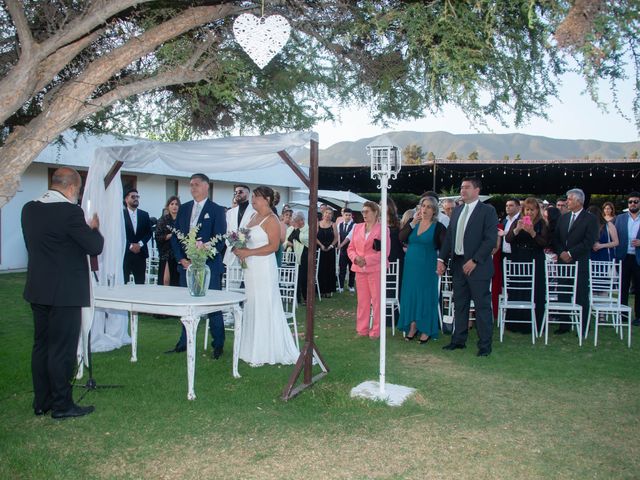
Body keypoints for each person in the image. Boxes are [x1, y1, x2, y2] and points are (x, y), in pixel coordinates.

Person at [21, 167, 104, 419]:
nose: (76, 196)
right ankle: (61, 404)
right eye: (77, 191)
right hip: (65, 292)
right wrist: (94, 228)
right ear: (70, 188)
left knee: (41, 346)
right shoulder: (70, 212)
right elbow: (94, 247)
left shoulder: (29, 209)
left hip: (38, 288)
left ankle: (41, 401)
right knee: (62, 350)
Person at [232, 186, 299, 366]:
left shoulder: (272, 219)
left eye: (257, 197)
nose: (253, 200)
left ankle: (267, 349)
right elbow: (244, 238)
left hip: (263, 267)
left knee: (264, 304)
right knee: (252, 304)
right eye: (253, 196)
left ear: (267, 199)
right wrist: (239, 248)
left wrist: (248, 252)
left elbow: (273, 246)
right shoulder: (253, 217)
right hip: (250, 268)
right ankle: (250, 347)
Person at [437, 177, 498, 357]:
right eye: (462, 187)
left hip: (478, 267)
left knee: (482, 306)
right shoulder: (457, 211)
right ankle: (458, 340)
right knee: (460, 305)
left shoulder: (488, 211)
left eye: (467, 187)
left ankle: (485, 345)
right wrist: (441, 260)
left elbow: (490, 240)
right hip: (457, 265)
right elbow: (449, 238)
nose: (463, 191)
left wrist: (475, 260)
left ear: (477, 190)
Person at [168, 174, 227, 357]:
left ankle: (218, 344)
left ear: (206, 186)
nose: (192, 188)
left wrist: (200, 260)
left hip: (209, 268)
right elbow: (177, 238)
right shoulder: (184, 209)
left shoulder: (216, 210)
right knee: (187, 307)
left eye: (196, 185)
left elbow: (219, 239)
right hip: (186, 268)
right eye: (191, 185)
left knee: (214, 308)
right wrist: (181, 259)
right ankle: (183, 343)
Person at [397, 196, 446, 343]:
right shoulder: (413, 223)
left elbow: (445, 246)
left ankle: (426, 329)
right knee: (410, 295)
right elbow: (401, 237)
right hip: (411, 267)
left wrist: (441, 261)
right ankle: (412, 327)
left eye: (429, 207)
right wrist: (412, 223)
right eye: (423, 206)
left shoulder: (438, 227)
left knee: (425, 296)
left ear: (434, 211)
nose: (425, 209)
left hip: (427, 267)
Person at [552, 188, 599, 335]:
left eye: (569, 199)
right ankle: (564, 324)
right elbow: (556, 238)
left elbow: (589, 241)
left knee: (581, 294)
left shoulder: (590, 219)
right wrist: (561, 253)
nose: (567, 202)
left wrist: (571, 253)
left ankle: (583, 325)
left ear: (579, 201)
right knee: (563, 292)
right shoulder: (564, 217)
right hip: (563, 262)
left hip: (580, 262)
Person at [505, 197, 551, 332]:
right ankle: (515, 323)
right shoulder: (517, 221)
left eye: (532, 210)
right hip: (518, 259)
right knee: (518, 289)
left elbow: (544, 243)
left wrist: (532, 232)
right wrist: (517, 230)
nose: (529, 213)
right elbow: (508, 239)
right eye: (527, 210)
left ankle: (533, 324)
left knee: (534, 290)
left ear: (537, 210)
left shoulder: (542, 223)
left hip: (535, 260)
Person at [347, 201, 390, 339]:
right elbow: (350, 248)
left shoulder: (383, 229)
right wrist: (355, 258)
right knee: (363, 301)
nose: (364, 214)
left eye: (367, 211)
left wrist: (366, 260)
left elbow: (385, 252)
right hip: (359, 269)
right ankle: (362, 329)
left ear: (375, 212)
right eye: (362, 211)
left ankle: (376, 330)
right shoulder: (357, 228)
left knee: (377, 301)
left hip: (375, 269)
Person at [614, 192, 640, 326]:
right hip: (623, 257)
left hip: (638, 257)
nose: (633, 204)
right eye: (630, 202)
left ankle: (639, 317)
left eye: (636, 201)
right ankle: (622, 315)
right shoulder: (620, 218)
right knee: (622, 287)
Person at [122, 188, 152, 284]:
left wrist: (140, 244)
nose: (136, 199)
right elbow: (120, 234)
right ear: (126, 199)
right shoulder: (121, 215)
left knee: (140, 283)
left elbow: (149, 232)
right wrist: (130, 246)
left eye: (137, 197)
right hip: (125, 253)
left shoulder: (144, 214)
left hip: (140, 253)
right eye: (133, 196)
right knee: (124, 281)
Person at [223, 184, 255, 269]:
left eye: (240, 192)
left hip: (249, 254)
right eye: (235, 192)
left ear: (248, 194)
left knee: (249, 281)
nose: (237, 194)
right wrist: (234, 248)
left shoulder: (255, 212)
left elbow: (254, 232)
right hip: (232, 255)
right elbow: (226, 233)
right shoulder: (230, 213)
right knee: (231, 282)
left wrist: (243, 247)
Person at [155, 196, 181, 287]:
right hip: (166, 254)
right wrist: (170, 235)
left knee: (177, 282)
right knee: (165, 281)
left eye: (177, 204)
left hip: (179, 255)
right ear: (168, 206)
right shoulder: (163, 220)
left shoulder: (182, 220)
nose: (174, 206)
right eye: (172, 204)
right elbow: (158, 237)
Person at [286, 211, 310, 304]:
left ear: (302, 220)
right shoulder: (292, 228)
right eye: (294, 220)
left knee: (303, 278)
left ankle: (305, 298)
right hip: (292, 254)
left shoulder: (308, 228)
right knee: (293, 277)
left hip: (305, 255)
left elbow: (304, 239)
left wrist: (297, 231)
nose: (295, 222)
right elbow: (287, 239)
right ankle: (296, 298)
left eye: (296, 221)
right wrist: (288, 243)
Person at [316, 207, 338, 297]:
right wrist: (321, 245)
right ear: (323, 214)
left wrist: (331, 246)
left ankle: (329, 290)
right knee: (320, 269)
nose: (327, 215)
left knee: (329, 270)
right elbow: (315, 236)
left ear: (332, 215)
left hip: (330, 250)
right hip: (320, 249)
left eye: (329, 213)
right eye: (326, 213)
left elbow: (336, 237)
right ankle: (320, 290)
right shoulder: (318, 224)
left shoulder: (333, 225)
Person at [337, 208, 356, 293]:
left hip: (352, 250)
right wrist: (338, 245)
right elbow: (338, 236)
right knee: (342, 269)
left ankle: (351, 285)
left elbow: (349, 237)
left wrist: (340, 245)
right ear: (343, 215)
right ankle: (341, 286)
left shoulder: (355, 225)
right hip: (343, 251)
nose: (348, 217)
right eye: (346, 215)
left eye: (349, 215)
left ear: (351, 216)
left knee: (352, 269)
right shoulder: (339, 225)